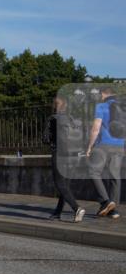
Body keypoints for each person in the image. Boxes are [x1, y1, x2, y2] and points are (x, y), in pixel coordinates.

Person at [85, 86, 123, 219]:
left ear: (104, 94)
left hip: (103, 145)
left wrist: (90, 146)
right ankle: (113, 210)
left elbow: (96, 128)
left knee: (93, 172)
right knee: (115, 176)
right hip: (120, 145)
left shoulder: (101, 106)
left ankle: (105, 202)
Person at [47, 95, 86, 222]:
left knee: (60, 184)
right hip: (73, 155)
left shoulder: (53, 118)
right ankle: (57, 212)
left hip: (59, 154)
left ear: (55, 106)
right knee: (65, 186)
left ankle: (77, 208)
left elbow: (45, 138)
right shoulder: (73, 120)